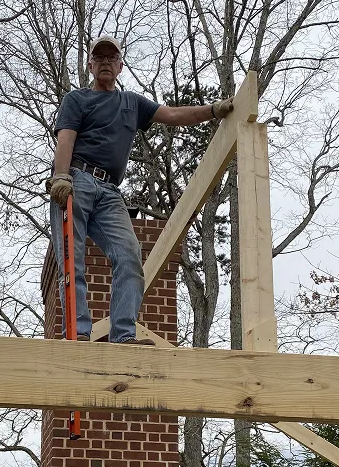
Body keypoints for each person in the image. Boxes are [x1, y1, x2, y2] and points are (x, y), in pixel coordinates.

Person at [48, 35, 235, 344]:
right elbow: (66, 137)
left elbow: (173, 115)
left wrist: (213, 110)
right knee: (72, 255)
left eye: (112, 58)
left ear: (120, 66)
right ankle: (78, 334)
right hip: (77, 181)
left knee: (130, 255)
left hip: (109, 190)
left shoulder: (132, 103)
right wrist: (61, 176)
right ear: (91, 65)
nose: (106, 62)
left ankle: (122, 335)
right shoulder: (77, 100)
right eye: (100, 58)